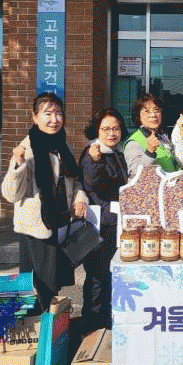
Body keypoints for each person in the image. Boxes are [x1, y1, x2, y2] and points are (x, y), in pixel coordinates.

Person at [1, 92, 88, 311]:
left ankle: (52, 325)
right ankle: (39, 326)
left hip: (60, 224)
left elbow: (75, 180)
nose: (54, 119)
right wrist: (18, 165)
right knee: (37, 286)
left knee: (53, 283)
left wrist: (80, 199)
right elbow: (10, 195)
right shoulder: (27, 149)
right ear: (34, 117)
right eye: (47, 113)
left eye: (58, 113)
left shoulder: (61, 146)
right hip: (36, 229)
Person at [79, 107, 129, 332]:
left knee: (110, 276)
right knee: (97, 277)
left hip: (114, 223)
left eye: (115, 128)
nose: (111, 133)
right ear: (96, 130)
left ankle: (107, 325)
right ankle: (92, 328)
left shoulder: (116, 153)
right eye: (106, 129)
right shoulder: (92, 153)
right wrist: (96, 160)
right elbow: (91, 184)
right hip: (99, 224)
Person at [124, 93, 178, 178]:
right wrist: (149, 152)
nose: (153, 115)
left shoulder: (162, 137)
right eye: (147, 111)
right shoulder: (133, 142)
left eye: (156, 110)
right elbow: (134, 173)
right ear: (138, 115)